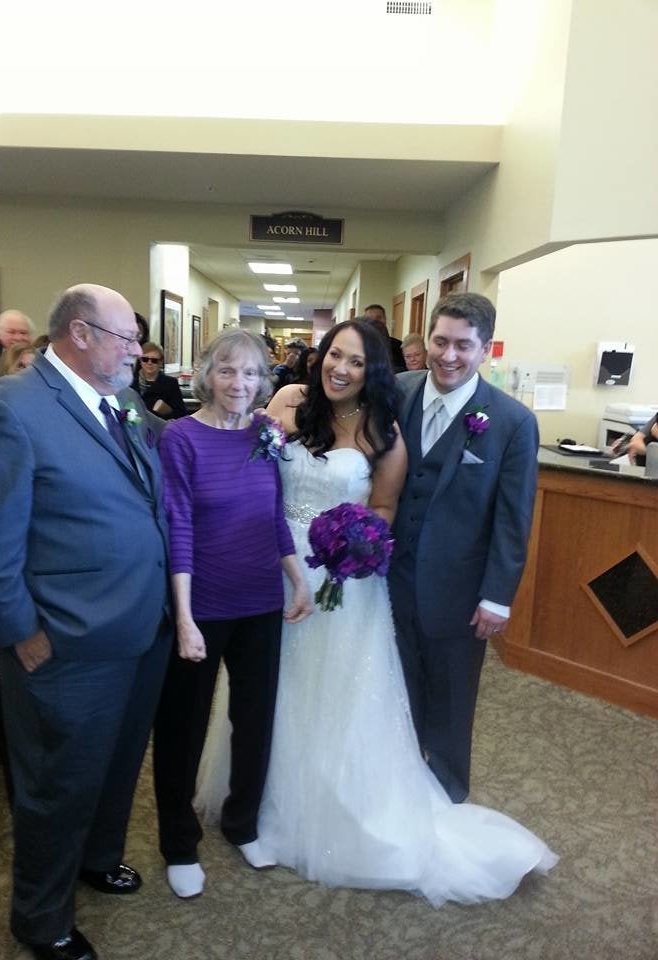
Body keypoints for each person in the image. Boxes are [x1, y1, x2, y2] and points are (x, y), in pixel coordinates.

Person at [197, 319, 556, 905]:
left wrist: (353, 548)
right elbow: (243, 463)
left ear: (373, 372)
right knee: (268, 693)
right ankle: (252, 799)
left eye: (357, 362)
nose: (341, 368)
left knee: (335, 699)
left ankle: (329, 811)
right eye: (335, 355)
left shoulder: (385, 430)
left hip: (342, 585)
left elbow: (385, 508)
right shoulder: (287, 403)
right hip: (271, 572)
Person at [0, 284, 172, 960]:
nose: (138, 350)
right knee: (57, 785)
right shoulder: (7, 408)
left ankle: (97, 857)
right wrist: (19, 631)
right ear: (80, 334)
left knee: (113, 767)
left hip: (140, 629)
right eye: (126, 337)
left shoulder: (124, 404)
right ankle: (40, 917)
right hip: (64, 643)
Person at [153, 329, 312, 901]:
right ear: (206, 375)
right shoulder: (181, 437)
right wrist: (186, 616)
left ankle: (242, 822)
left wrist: (297, 580)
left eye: (249, 374)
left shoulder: (266, 432)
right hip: (205, 605)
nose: (239, 384)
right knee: (183, 726)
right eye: (227, 371)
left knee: (255, 719)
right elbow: (179, 526)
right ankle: (177, 841)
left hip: (261, 601)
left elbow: (273, 515)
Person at [389, 292, 539, 804]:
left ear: (484, 350)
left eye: (463, 346)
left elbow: (512, 519)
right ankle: (397, 789)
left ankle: (447, 796)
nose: (448, 356)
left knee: (451, 703)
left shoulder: (513, 422)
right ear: (427, 338)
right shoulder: (398, 391)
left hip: (459, 591)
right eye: (440, 341)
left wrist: (498, 596)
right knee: (393, 692)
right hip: (388, 579)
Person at [130, 341, 188, 420]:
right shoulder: (130, 382)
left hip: (160, 429)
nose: (149, 363)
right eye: (145, 359)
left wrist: (167, 412)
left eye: (154, 360)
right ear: (140, 361)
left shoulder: (170, 384)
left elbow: (181, 414)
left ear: (160, 363)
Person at [363, 303, 407, 373]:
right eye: (369, 319)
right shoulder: (358, 347)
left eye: (378, 318)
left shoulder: (399, 346)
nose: (374, 322)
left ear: (385, 320)